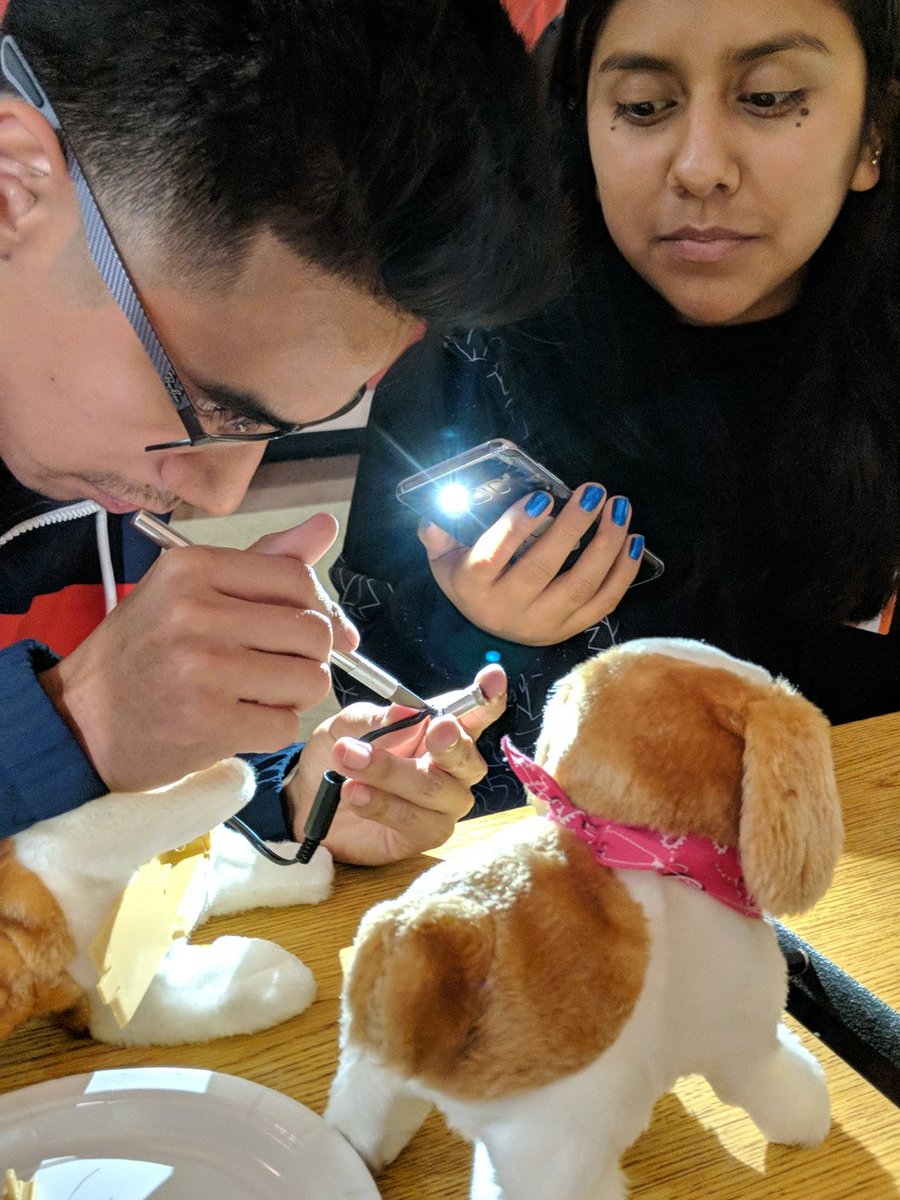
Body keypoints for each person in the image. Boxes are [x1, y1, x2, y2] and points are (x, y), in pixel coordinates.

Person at [0, 0, 568, 859]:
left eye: (274, 430)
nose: (221, 492)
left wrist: (295, 796)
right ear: (13, 188)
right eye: (206, 408)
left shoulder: (88, 454)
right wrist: (72, 728)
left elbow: (108, 834)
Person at [331, 0, 900, 813]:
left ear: (873, 135)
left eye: (769, 98)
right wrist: (481, 632)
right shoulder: (482, 355)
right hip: (590, 894)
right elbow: (380, 719)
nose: (701, 166)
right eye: (642, 106)